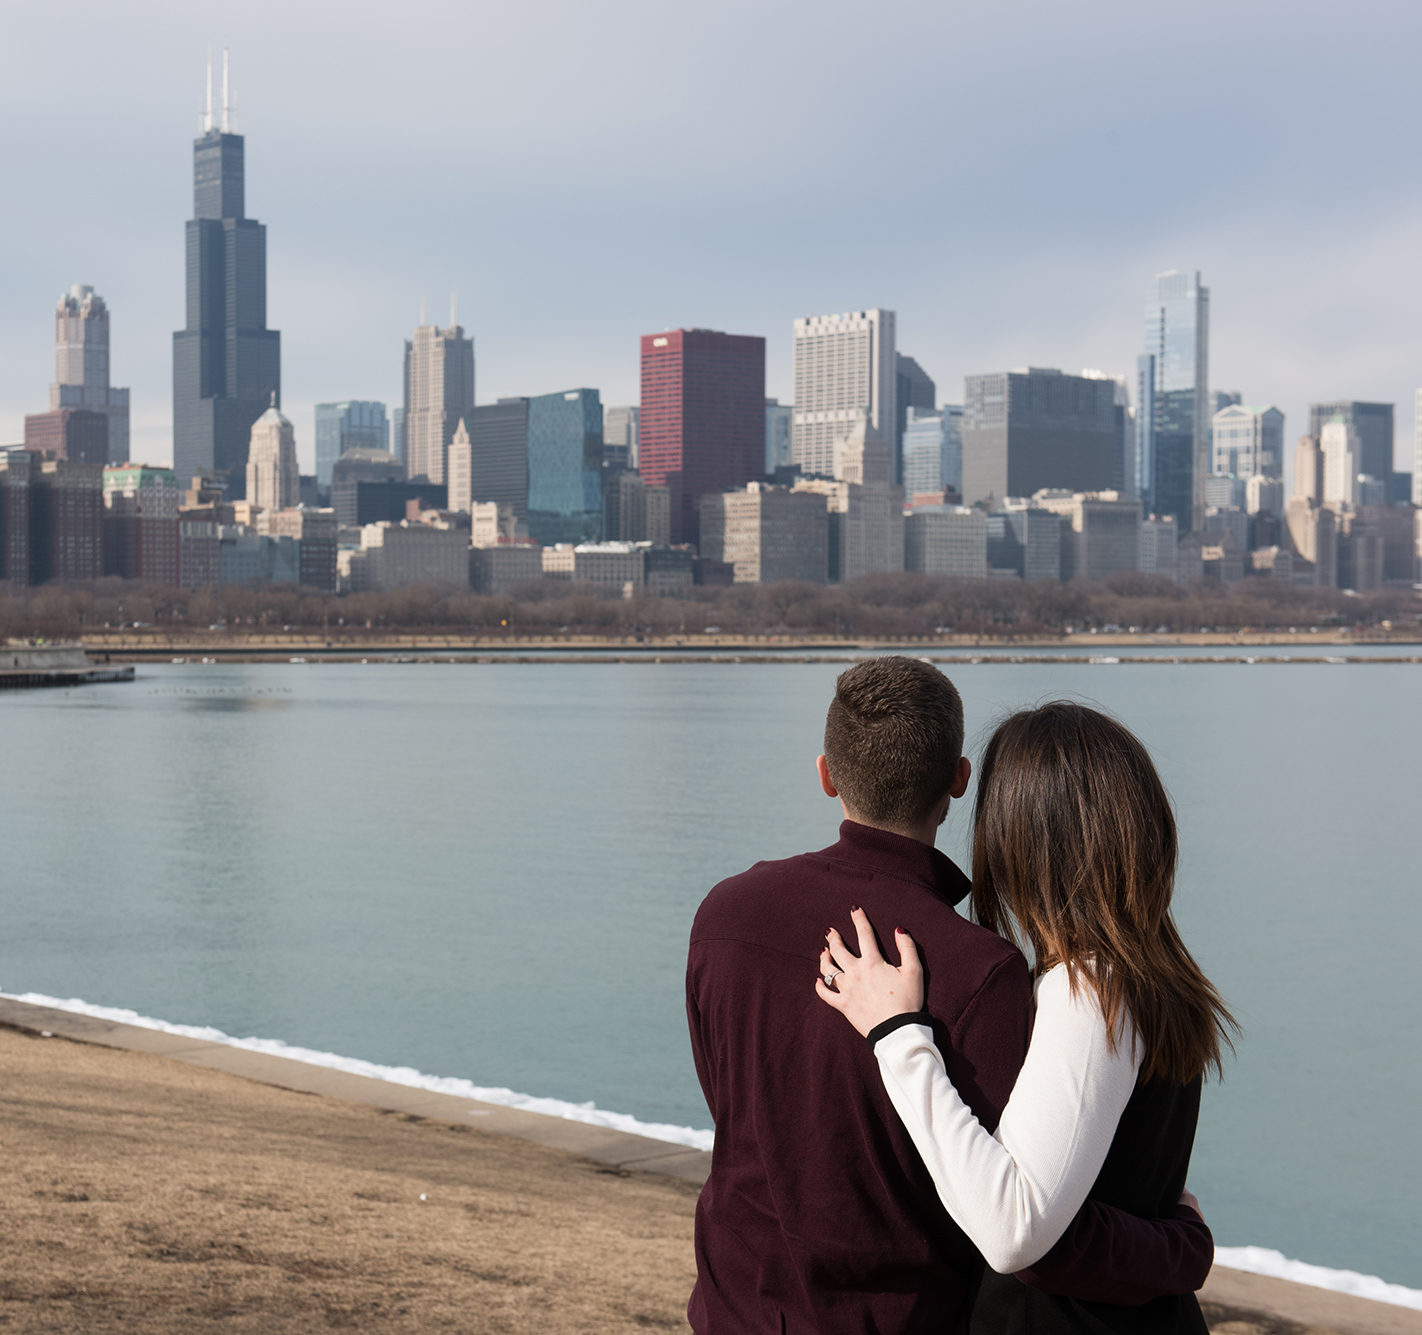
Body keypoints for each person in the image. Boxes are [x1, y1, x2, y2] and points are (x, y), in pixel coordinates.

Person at [686, 660, 1213, 1335]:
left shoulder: (724, 916)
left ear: (826, 773)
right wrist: (1181, 1246)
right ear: (957, 782)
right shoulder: (994, 972)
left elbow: (738, 1113)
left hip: (733, 1310)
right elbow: (1020, 1232)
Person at [818, 700, 1237, 1334]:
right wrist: (1176, 1244)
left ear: (1019, 835)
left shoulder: (1089, 987)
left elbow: (1014, 1230)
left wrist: (897, 1035)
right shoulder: (1151, 975)